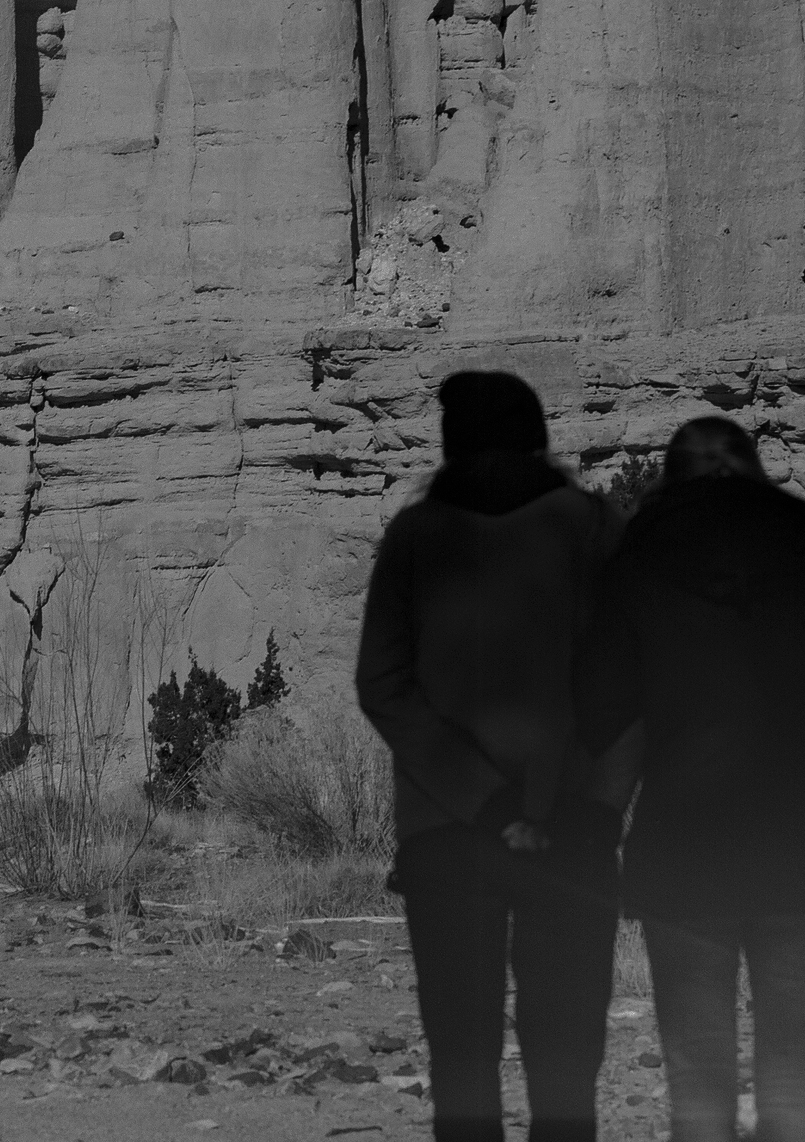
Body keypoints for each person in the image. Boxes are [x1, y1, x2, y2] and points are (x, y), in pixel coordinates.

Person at [356, 370, 639, 1142]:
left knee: (462, 1066)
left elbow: (382, 685)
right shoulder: (593, 526)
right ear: (534, 436)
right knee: (566, 1066)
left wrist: (481, 799)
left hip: (446, 835)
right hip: (569, 831)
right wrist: (595, 805)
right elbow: (633, 682)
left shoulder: (416, 535)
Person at [575, 415, 805, 1142]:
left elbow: (608, 714)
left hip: (682, 845)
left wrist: (601, 816)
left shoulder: (639, 555)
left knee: (698, 1087)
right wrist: (794, 752)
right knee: (796, 1086)